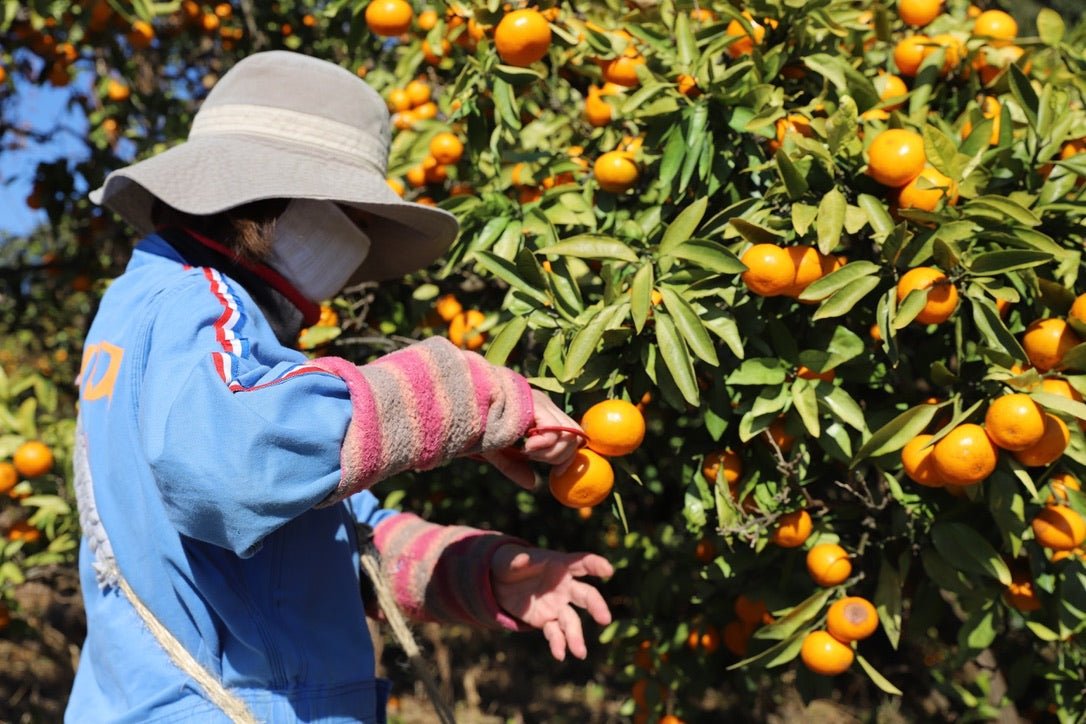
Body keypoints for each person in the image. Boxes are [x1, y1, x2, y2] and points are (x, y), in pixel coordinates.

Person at [67, 50, 613, 723]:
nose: (355, 246)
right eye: (351, 219)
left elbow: (317, 542)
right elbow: (234, 465)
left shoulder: (145, 312)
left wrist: (473, 572)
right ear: (286, 203)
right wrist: (470, 394)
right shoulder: (199, 300)